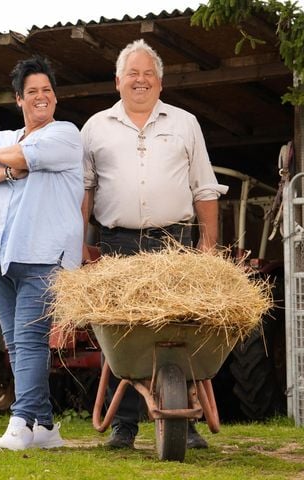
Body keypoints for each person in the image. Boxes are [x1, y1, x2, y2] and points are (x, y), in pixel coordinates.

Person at [81, 39, 228, 450]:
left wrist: (208, 248)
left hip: (174, 243)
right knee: (123, 335)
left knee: (179, 331)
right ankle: (123, 426)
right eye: (133, 73)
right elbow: (85, 193)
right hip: (118, 244)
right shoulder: (95, 128)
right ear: (118, 81)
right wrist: (77, 246)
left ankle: (189, 420)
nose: (140, 80)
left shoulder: (185, 123)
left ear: (160, 83)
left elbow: (205, 188)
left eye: (148, 74)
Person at [0, 56, 84, 451]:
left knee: (30, 342)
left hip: (42, 256)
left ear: (55, 97)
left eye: (47, 90)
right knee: (14, 343)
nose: (41, 97)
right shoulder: (0, 138)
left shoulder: (65, 135)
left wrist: (0, 159)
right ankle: (44, 427)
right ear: (19, 98)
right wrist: (6, 171)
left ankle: (20, 422)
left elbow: (27, 156)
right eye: (33, 92)